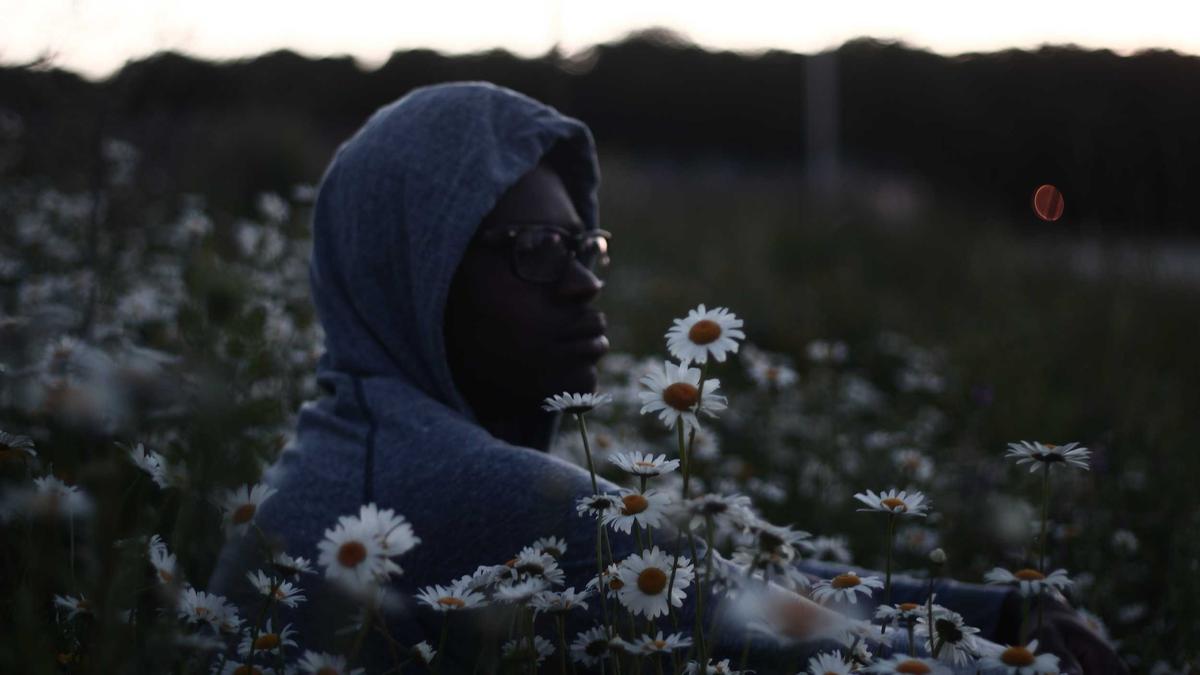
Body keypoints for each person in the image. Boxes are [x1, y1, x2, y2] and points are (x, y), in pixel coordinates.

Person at [209, 81, 1122, 673]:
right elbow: (789, 637)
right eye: (533, 250)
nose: (582, 281)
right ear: (414, 272)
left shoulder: (350, 442)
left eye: (584, 245)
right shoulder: (456, 491)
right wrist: (1025, 656)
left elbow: (739, 576)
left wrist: (999, 607)